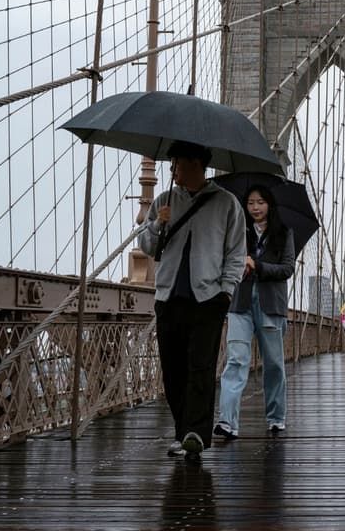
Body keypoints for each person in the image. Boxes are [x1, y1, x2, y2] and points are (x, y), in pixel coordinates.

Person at [138, 141, 246, 464]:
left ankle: (195, 434)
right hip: (168, 297)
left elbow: (236, 253)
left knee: (201, 366)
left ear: (195, 162)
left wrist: (226, 292)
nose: (171, 170)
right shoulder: (164, 200)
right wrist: (159, 223)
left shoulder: (227, 204)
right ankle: (181, 431)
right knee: (172, 370)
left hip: (208, 299)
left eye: (176, 164)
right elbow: (145, 244)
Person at [215, 185, 296, 441]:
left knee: (273, 364)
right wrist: (240, 263)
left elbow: (287, 269)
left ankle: (276, 418)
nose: (255, 207)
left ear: (269, 204)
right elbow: (224, 262)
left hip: (271, 306)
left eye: (260, 202)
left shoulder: (284, 233)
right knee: (236, 361)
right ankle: (227, 422)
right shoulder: (238, 233)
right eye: (250, 203)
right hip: (240, 305)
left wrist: (257, 265)